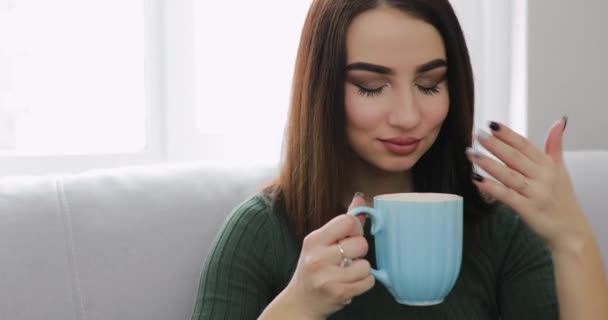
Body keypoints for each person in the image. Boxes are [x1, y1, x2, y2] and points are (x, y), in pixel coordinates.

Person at [190, 0, 608, 319]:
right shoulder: (260, 233)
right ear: (323, 92)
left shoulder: (500, 229)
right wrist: (298, 305)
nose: (408, 117)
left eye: (429, 84)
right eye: (372, 87)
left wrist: (572, 239)